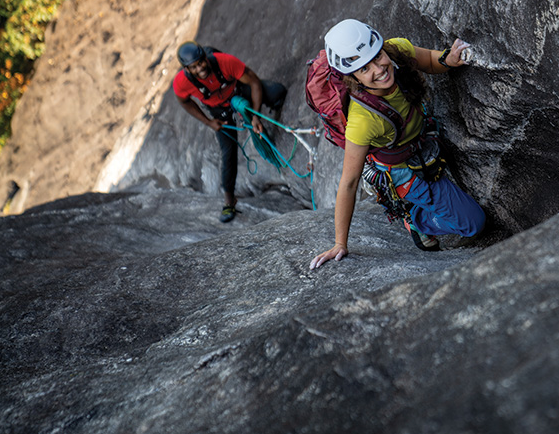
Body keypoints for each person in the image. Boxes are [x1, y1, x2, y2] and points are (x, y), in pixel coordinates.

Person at [310, 19, 485, 270]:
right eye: (364, 69)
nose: (379, 69)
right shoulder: (362, 121)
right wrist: (340, 243)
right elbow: (348, 183)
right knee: (473, 223)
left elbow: (430, 61)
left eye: (377, 56)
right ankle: (417, 220)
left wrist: (450, 59)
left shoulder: (396, 50)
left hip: (422, 141)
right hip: (401, 171)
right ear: (354, 78)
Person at [172, 41, 287, 222]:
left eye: (201, 62)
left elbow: (254, 82)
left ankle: (268, 110)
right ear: (186, 69)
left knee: (277, 92)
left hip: (239, 91)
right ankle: (228, 201)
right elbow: (184, 102)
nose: (200, 68)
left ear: (205, 57)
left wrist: (256, 116)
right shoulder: (181, 83)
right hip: (219, 110)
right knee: (228, 151)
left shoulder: (224, 62)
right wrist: (209, 122)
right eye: (193, 67)